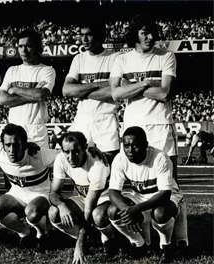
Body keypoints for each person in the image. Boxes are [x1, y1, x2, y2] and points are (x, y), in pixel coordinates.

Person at [109, 14, 188, 251]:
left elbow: (165, 93)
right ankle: (145, 239)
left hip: (161, 126)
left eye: (152, 32)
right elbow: (115, 94)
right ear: (135, 34)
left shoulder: (166, 56)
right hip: (134, 127)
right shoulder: (122, 60)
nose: (150, 36)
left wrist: (132, 87)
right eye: (144, 32)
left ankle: (180, 239)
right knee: (138, 185)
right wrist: (145, 84)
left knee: (171, 186)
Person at [0, 123, 57, 250]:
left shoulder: (40, 154)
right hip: (17, 195)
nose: (12, 149)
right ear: (3, 145)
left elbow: (66, 155)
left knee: (32, 212)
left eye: (16, 144)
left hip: (41, 195)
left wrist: (91, 152)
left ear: (25, 144)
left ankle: (42, 234)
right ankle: (25, 233)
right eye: (8, 145)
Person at [107, 126, 184, 263]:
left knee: (160, 213)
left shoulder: (160, 157)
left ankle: (166, 246)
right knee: (113, 210)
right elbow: (113, 192)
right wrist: (127, 210)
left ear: (145, 145)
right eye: (126, 146)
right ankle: (139, 244)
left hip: (167, 195)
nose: (130, 150)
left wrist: (136, 209)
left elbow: (165, 194)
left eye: (135, 145)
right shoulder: (120, 158)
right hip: (139, 195)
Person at [49, 131, 117, 263]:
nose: (71, 157)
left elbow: (89, 210)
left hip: (104, 198)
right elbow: (54, 193)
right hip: (83, 197)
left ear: (85, 148)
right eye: (66, 152)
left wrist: (79, 246)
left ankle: (111, 238)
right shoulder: (61, 159)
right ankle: (92, 236)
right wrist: (62, 206)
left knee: (97, 215)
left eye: (75, 152)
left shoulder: (97, 165)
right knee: (54, 212)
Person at [63, 19, 121, 164]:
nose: (84, 39)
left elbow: (114, 90)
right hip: (83, 118)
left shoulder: (115, 58)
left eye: (89, 35)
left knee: (108, 165)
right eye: (82, 35)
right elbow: (67, 90)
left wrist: (81, 90)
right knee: (82, 165)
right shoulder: (79, 59)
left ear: (100, 35)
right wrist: (98, 85)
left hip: (106, 117)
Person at [0, 29, 56, 148]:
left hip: (36, 129)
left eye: (28, 46)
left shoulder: (46, 70)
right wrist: (32, 95)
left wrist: (15, 90)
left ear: (37, 48)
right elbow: (2, 99)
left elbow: (41, 95)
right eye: (21, 46)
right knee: (15, 165)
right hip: (14, 129)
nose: (24, 50)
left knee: (39, 165)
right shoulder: (12, 70)